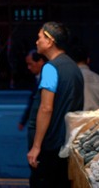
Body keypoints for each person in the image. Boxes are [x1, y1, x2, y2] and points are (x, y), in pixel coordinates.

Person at [26, 22, 84, 188]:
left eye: (40, 37)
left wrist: (36, 146)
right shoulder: (74, 67)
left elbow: (46, 108)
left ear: (50, 41)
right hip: (67, 142)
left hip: (50, 146)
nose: (37, 41)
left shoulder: (51, 68)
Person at [69, 44, 99, 111]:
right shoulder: (98, 79)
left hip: (76, 119)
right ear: (88, 60)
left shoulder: (69, 78)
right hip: (98, 118)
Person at [18, 49, 47, 131]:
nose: (29, 67)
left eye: (30, 64)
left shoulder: (45, 78)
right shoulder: (38, 78)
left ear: (40, 62)